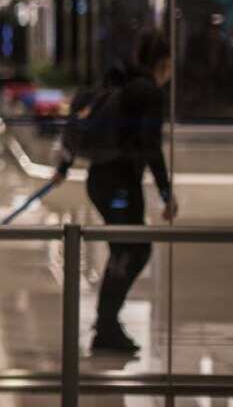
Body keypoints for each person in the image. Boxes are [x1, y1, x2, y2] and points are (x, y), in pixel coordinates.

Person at [54, 31, 178, 354]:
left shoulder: (118, 82)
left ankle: (107, 323)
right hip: (119, 181)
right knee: (131, 250)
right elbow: (151, 147)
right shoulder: (148, 92)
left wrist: (64, 167)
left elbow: (82, 122)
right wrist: (166, 194)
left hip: (102, 178)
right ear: (164, 63)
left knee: (128, 249)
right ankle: (105, 326)